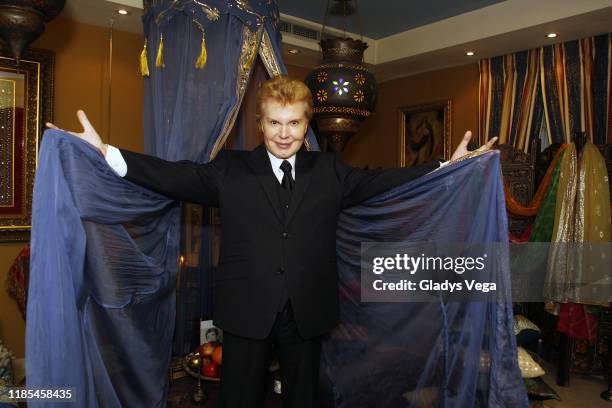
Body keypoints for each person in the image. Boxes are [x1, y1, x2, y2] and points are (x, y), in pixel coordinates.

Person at [47, 75, 497, 408]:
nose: (285, 133)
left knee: (303, 399)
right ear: (260, 124)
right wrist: (105, 154)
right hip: (247, 309)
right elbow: (175, 176)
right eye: (275, 123)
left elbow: (385, 182)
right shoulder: (230, 169)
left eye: (295, 123)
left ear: (307, 123)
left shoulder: (330, 171)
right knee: (240, 400)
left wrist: (446, 166)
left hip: (309, 307)